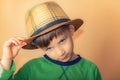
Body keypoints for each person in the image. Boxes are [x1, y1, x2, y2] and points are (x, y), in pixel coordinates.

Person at [0, 1, 101, 80]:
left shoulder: (90, 70)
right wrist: (7, 60)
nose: (60, 52)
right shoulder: (31, 69)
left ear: (71, 30)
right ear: (39, 46)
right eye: (49, 48)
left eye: (62, 41)